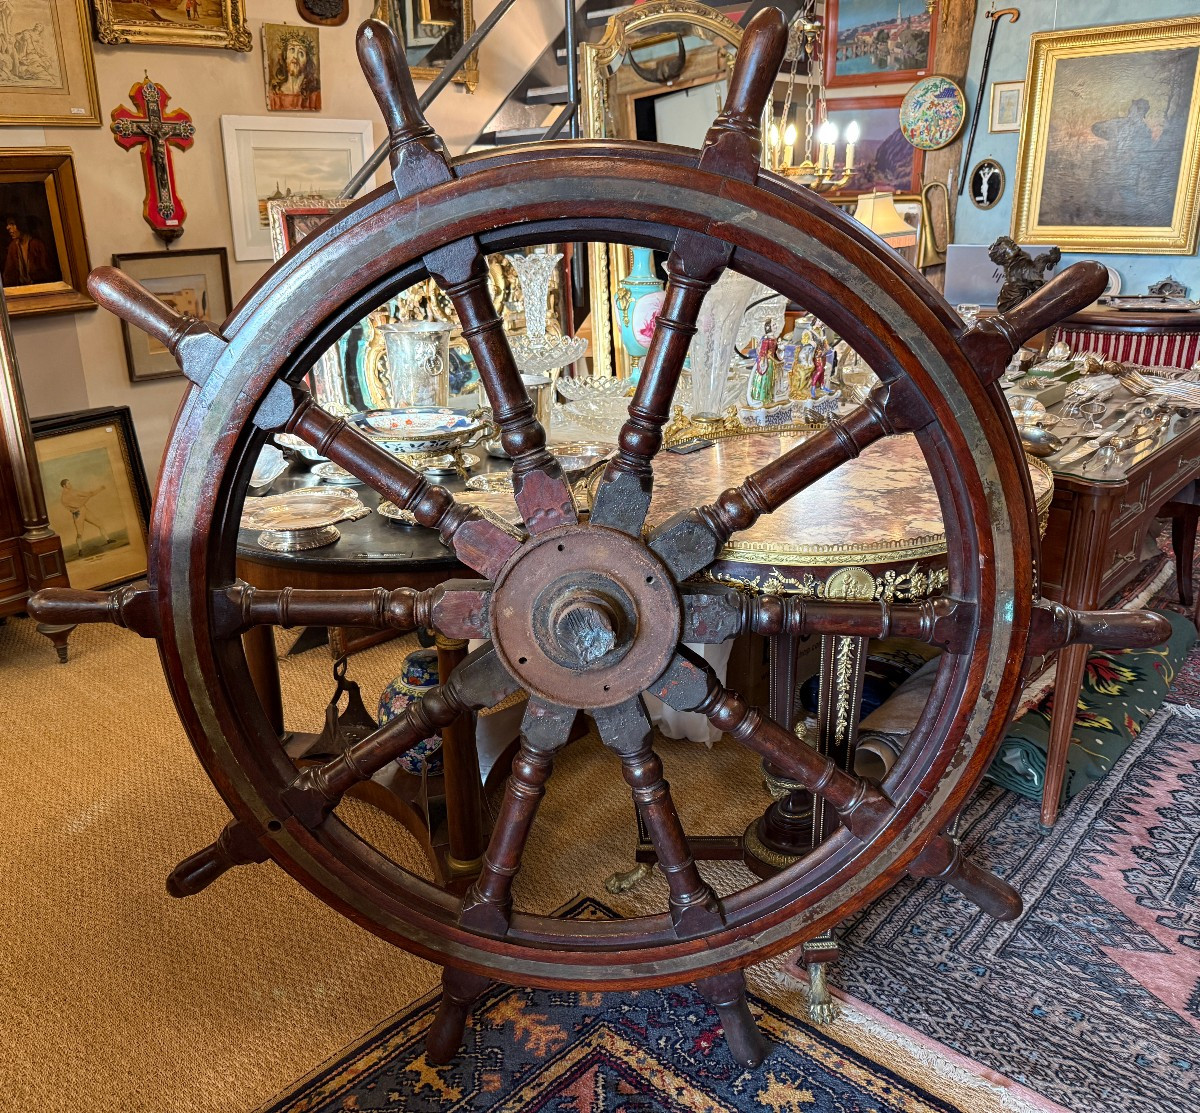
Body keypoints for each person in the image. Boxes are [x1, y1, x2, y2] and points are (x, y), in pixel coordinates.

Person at [267, 29, 321, 111]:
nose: (295, 56)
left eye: (301, 53)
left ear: (307, 61)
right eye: (292, 50)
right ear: (285, 56)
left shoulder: (314, 95)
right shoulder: (275, 94)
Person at [59, 479, 109, 554]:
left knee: (99, 523)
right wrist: (88, 497)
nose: (71, 485)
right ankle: (80, 550)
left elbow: (88, 494)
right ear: (64, 486)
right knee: (79, 533)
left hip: (84, 510)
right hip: (78, 514)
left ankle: (108, 539)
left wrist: (100, 489)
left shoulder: (74, 491)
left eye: (70, 483)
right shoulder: (64, 498)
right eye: (68, 483)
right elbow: (79, 504)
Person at [3, 214, 54, 287]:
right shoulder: (13, 246)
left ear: (21, 225)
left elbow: (48, 272)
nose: (8, 227)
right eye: (8, 225)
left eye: (12, 224)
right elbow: (8, 274)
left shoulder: (37, 245)